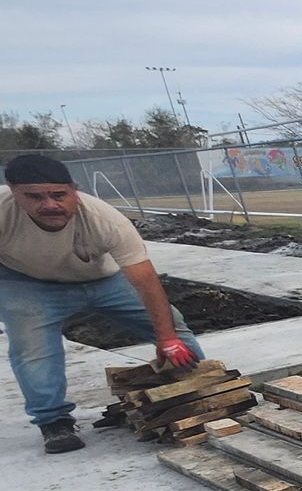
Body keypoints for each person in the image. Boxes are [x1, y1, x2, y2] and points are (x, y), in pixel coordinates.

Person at [0, 154, 204, 453]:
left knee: (173, 327)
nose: (49, 204)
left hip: (103, 280)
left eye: (59, 195)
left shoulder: (104, 219)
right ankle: (53, 421)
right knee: (33, 348)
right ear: (14, 192)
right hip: (27, 282)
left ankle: (201, 388)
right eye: (34, 197)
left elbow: (146, 281)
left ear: (74, 189)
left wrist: (167, 338)